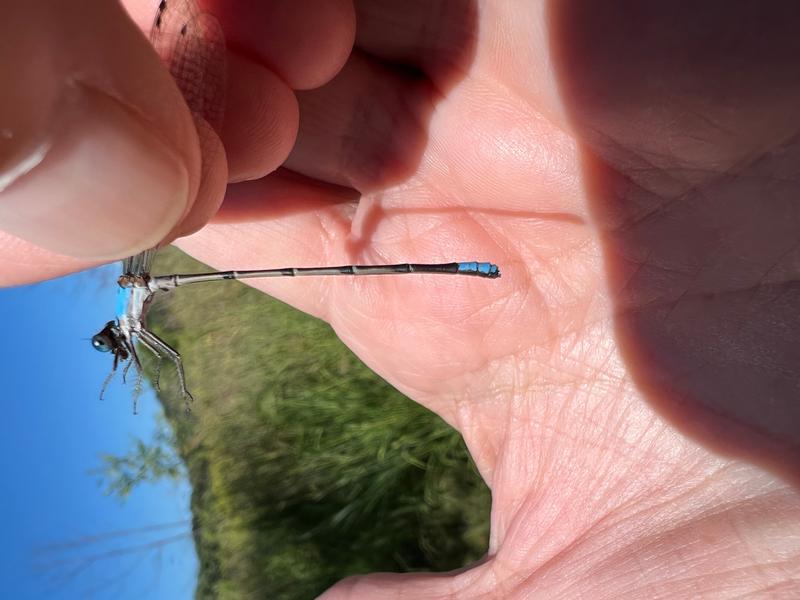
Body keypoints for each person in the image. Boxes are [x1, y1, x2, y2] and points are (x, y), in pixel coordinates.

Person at [2, 1, 798, 597]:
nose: (121, 346)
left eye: (117, 344)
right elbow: (155, 351)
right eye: (116, 349)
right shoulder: (140, 295)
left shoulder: (134, 282)